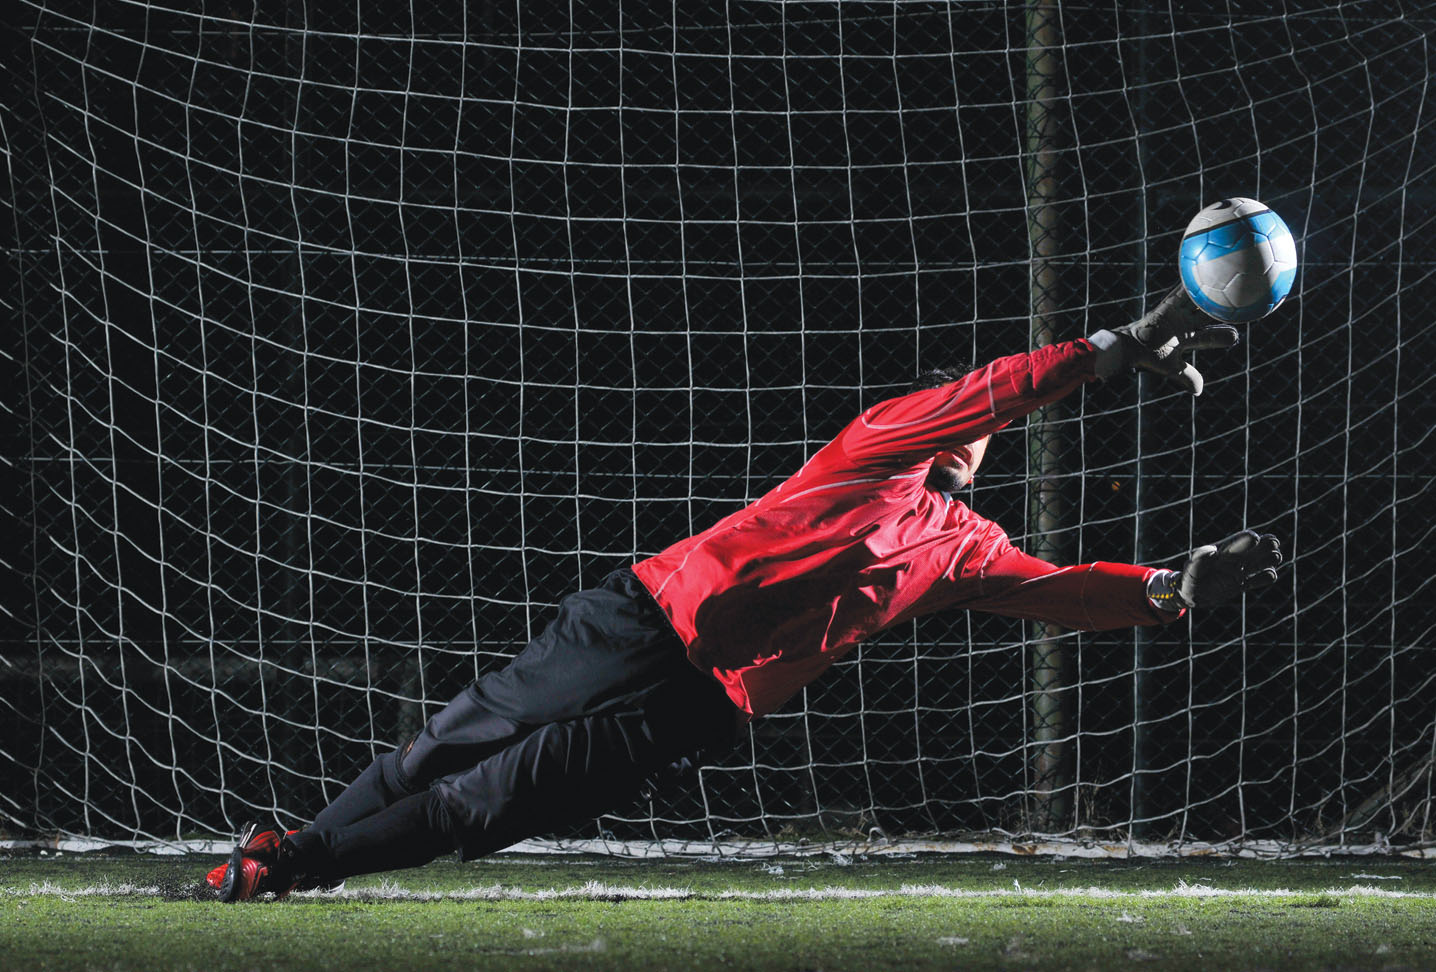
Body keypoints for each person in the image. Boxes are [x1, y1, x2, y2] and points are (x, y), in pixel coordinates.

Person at [208, 286, 1284, 901]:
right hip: (639, 619)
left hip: (702, 705)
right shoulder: (879, 450)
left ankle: (288, 868)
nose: (973, 426)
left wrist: (1168, 586)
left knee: (488, 801)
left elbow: (1062, 592)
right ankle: (295, 856)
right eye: (970, 419)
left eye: (982, 432)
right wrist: (1112, 347)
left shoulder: (963, 552)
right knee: (446, 746)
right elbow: (996, 388)